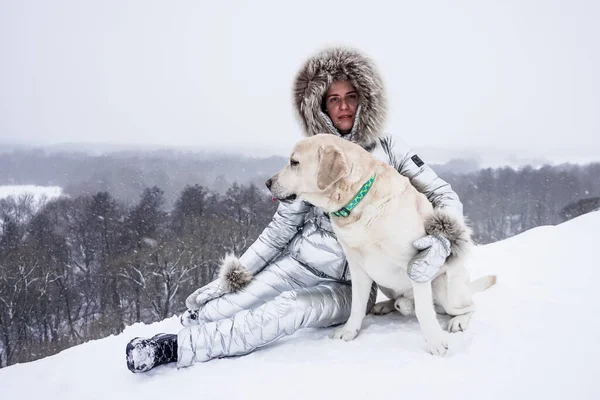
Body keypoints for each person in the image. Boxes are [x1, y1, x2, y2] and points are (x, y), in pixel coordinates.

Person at [125, 47, 466, 372]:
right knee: (222, 305)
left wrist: (442, 240)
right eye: (334, 99)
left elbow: (441, 193)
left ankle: (175, 348)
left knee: (283, 312)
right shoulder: (306, 156)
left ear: (364, 99)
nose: (344, 107)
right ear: (320, 105)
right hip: (297, 264)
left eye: (351, 97)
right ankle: (187, 327)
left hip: (347, 282)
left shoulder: (389, 148)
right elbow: (279, 231)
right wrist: (234, 277)